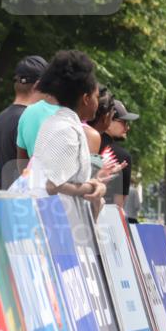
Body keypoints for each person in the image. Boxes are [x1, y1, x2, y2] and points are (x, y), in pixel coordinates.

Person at [30, 50, 120, 212]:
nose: (97, 102)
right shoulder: (67, 130)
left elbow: (66, 178)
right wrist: (91, 188)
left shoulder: (57, 123)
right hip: (58, 223)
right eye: (96, 96)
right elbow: (53, 185)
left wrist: (94, 183)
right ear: (86, 99)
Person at [0, 55, 47, 189]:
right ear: (38, 85)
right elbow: (41, 173)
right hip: (26, 205)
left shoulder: (1, 118)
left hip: (5, 203)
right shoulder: (30, 119)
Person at [100, 99, 138, 208]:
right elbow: (118, 205)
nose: (127, 127)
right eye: (124, 122)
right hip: (106, 220)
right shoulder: (122, 157)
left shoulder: (82, 144)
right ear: (108, 119)